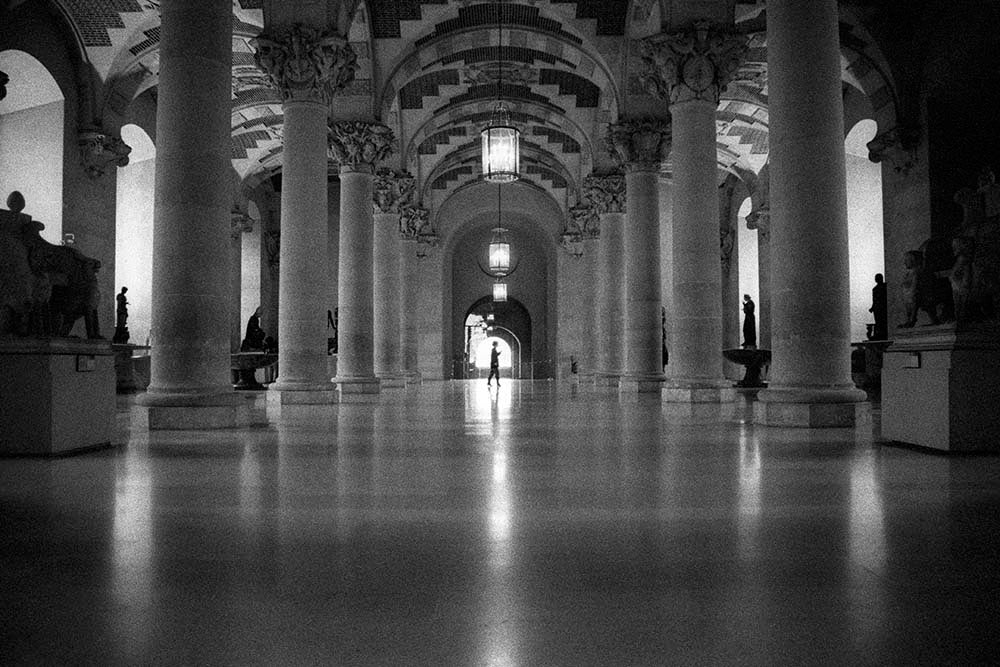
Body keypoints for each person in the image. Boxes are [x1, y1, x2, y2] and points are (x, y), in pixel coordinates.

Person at [870, 273, 887, 339]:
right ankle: (879, 333)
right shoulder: (875, 289)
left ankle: (882, 333)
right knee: (878, 321)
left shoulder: (885, 287)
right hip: (877, 307)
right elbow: (874, 299)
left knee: (882, 321)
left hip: (883, 307)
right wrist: (872, 307)